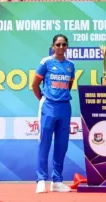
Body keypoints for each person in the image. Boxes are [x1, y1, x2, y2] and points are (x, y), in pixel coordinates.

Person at [32, 34, 75, 193]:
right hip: (48, 106)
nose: (61, 47)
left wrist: (60, 98)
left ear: (67, 46)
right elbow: (35, 85)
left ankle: (57, 181)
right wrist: (44, 99)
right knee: (44, 144)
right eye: (58, 44)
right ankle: (41, 179)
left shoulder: (71, 65)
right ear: (53, 46)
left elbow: (68, 86)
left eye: (64, 44)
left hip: (65, 107)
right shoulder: (46, 62)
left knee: (62, 145)